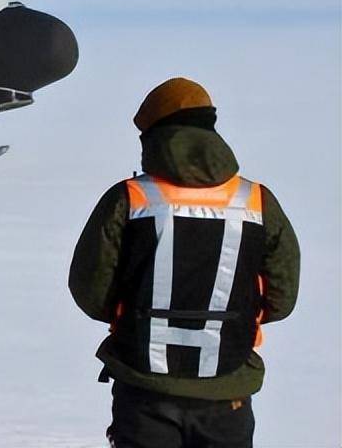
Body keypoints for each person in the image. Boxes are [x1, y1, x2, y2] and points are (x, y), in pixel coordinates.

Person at [69, 78, 300, 448]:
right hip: (229, 395)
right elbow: (282, 298)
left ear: (154, 136)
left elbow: (89, 290)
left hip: (144, 394)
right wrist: (233, 321)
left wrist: (134, 316)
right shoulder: (257, 202)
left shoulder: (129, 199)